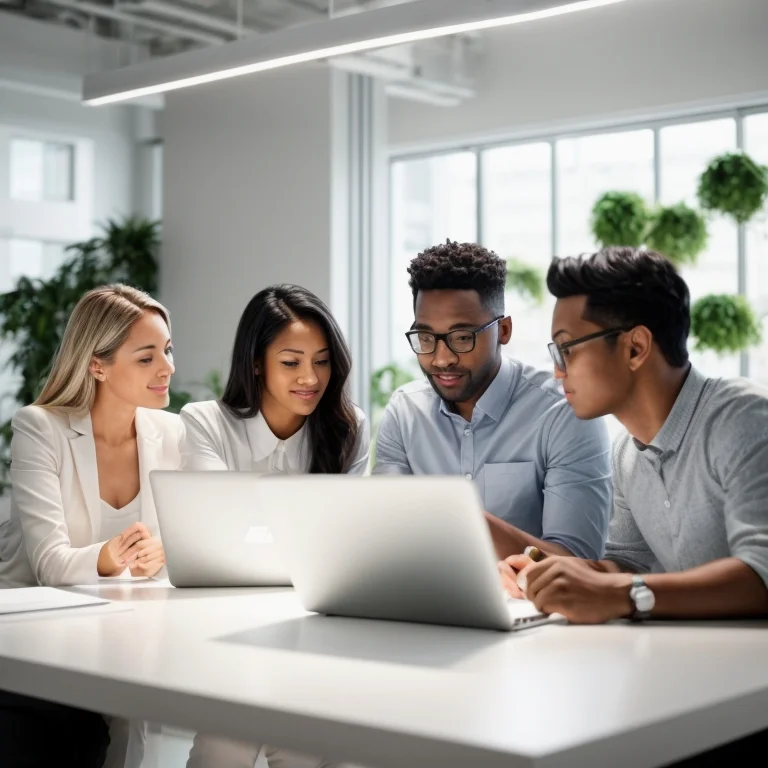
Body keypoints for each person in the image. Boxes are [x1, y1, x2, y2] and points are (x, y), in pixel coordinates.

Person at [500, 247, 768, 626]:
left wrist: (620, 594)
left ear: (635, 347)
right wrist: (555, 572)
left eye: (567, 350)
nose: (558, 373)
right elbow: (627, 565)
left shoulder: (744, 419)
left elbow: (762, 574)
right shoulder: (627, 453)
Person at [181, 284, 369, 768]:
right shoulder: (205, 423)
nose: (311, 377)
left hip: (314, 634)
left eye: (323, 361)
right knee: (227, 743)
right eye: (291, 362)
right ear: (257, 362)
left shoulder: (350, 429)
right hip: (227, 634)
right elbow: (218, 543)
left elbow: (348, 548)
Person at [0, 284, 182, 768]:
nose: (167, 368)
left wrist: (164, 552)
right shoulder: (40, 428)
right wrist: (113, 554)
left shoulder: (172, 432)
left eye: (167, 350)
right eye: (146, 357)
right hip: (34, 638)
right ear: (97, 365)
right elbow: (51, 566)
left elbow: (192, 542)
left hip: (126, 628)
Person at [373, 240, 612, 561]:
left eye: (462, 337)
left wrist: (453, 515)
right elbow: (385, 537)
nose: (442, 359)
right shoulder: (405, 412)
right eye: (426, 338)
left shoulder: (563, 411)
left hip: (528, 605)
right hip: (425, 598)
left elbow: (578, 560)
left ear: (503, 330)